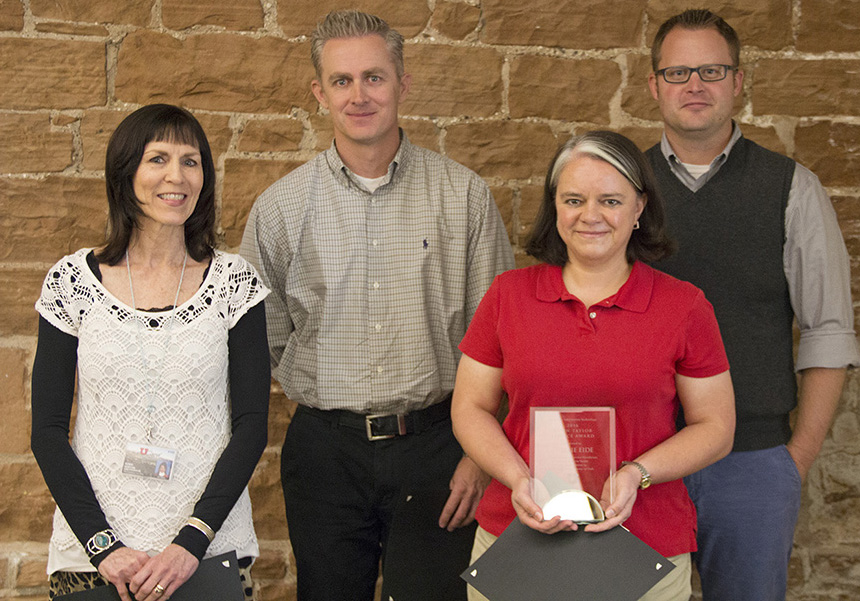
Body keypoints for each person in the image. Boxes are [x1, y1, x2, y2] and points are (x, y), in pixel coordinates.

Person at [239, 10, 514, 601]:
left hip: (440, 447)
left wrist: (480, 458)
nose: (358, 95)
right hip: (325, 454)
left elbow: (496, 340)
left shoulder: (462, 196)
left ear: (402, 83)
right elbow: (268, 339)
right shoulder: (280, 209)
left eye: (374, 77)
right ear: (319, 92)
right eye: (341, 81)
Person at [452, 130, 736, 601]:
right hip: (519, 537)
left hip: (645, 544)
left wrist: (635, 474)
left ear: (640, 207)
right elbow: (470, 409)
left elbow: (716, 427)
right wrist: (518, 480)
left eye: (610, 200)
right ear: (555, 206)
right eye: (574, 199)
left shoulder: (684, 307)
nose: (590, 216)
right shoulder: (508, 296)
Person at [645, 9, 860, 600]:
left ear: (739, 81)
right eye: (678, 71)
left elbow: (828, 332)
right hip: (637, 462)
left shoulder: (792, 188)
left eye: (712, 70)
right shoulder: (621, 188)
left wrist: (795, 460)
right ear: (654, 85)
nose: (695, 85)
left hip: (752, 461)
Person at [31, 104, 271, 601]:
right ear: (125, 174)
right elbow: (47, 431)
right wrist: (104, 548)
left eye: (191, 160)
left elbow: (252, 425)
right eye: (157, 158)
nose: (176, 176)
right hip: (93, 560)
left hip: (206, 555)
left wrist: (190, 542)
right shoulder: (73, 282)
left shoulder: (234, 284)